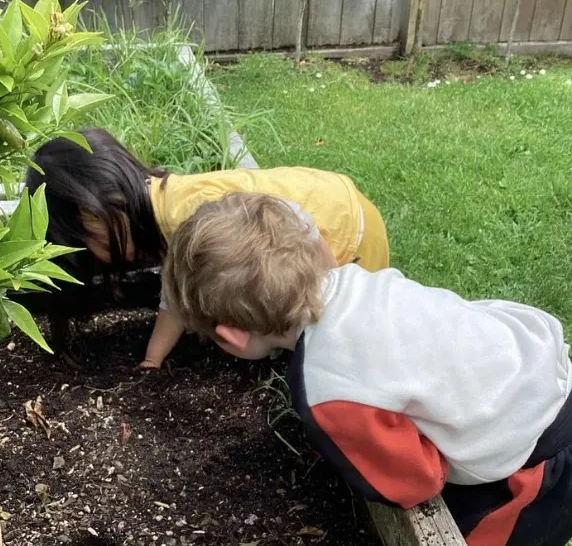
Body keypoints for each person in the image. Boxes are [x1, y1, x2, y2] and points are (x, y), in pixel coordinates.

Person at [161, 192, 572, 546]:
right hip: (537, 364)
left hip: (536, 461)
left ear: (232, 337)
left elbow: (417, 482)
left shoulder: (326, 386)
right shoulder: (361, 282)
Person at [25, 128, 390, 369]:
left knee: (347, 330)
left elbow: (297, 220)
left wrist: (328, 289)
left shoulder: (193, 216)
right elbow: (174, 294)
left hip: (347, 229)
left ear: (96, 216)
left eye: (82, 240)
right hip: (323, 202)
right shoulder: (166, 212)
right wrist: (152, 361)